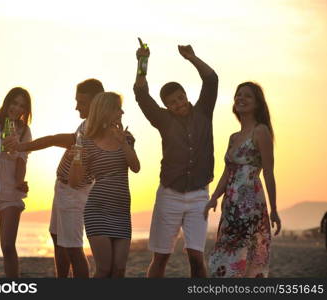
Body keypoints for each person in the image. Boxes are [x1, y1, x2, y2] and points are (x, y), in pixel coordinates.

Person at [4, 79, 104, 278]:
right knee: (58, 238)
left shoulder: (98, 130)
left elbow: (82, 160)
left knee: (73, 248)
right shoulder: (85, 126)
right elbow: (54, 139)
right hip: (63, 189)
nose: (76, 106)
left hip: (75, 193)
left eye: (81, 102)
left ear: (96, 103)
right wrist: (21, 147)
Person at [133, 44, 218, 278]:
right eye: (172, 103)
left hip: (199, 195)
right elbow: (141, 95)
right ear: (166, 106)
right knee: (160, 257)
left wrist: (192, 58)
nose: (178, 104)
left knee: (196, 258)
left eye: (180, 98)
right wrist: (142, 63)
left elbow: (211, 80)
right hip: (169, 195)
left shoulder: (203, 112)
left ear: (185, 95)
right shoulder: (163, 120)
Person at [204, 82, 281, 278]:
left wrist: (273, 210)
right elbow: (228, 171)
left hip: (251, 206)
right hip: (230, 206)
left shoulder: (260, 131)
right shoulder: (233, 137)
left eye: (247, 96)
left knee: (246, 260)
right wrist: (214, 197)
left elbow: (269, 173)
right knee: (223, 257)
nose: (241, 98)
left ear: (257, 104)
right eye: (238, 95)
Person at [69, 92, 140, 278]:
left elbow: (136, 167)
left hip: (122, 211)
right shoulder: (86, 141)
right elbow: (75, 182)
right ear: (106, 110)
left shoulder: (127, 138)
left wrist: (123, 143)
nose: (122, 111)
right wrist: (76, 157)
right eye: (118, 108)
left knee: (119, 270)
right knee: (104, 269)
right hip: (97, 211)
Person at [0, 87, 32, 278]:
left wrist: (20, 182)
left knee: (7, 245)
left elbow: (22, 160)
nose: (17, 108)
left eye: (22, 106)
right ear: (7, 102)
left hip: (10, 191)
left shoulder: (24, 130)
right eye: (14, 103)